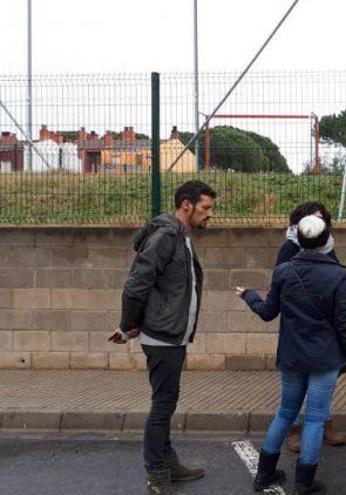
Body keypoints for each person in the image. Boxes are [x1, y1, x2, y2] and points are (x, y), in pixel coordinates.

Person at [237, 214, 346, 494]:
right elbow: (344, 320)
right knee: (316, 418)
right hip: (324, 357)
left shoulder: (283, 271)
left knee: (285, 412)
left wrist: (249, 295)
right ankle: (304, 483)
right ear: (326, 240)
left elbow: (268, 312)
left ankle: (264, 475)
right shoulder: (337, 274)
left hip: (292, 356)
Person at [110, 180, 216, 495]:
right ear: (187, 204)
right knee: (162, 405)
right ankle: (156, 473)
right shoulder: (167, 236)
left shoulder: (180, 236)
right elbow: (136, 283)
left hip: (172, 335)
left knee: (166, 402)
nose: (210, 214)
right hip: (163, 338)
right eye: (206, 207)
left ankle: (168, 463)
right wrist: (127, 324)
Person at [275, 202, 346, 452]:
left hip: (325, 329)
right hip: (297, 328)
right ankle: (293, 430)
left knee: (325, 382)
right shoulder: (288, 249)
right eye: (312, 220)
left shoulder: (328, 248)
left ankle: (324, 423)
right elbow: (279, 288)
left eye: (322, 220)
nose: (317, 225)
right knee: (294, 385)